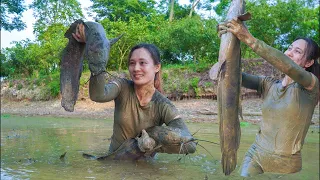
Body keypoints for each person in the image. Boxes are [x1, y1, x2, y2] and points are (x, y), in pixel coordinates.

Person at [72, 22, 196, 160]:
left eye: (142, 63)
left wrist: (154, 139)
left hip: (145, 168)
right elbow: (98, 95)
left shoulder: (163, 105)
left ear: (157, 67)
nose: (136, 68)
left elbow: (190, 145)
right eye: (132, 63)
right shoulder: (122, 86)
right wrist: (95, 50)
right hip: (113, 164)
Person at [218, 18, 319, 176]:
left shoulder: (311, 86)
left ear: (308, 63)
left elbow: (287, 65)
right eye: (289, 48)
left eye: (298, 51)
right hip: (255, 155)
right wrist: (227, 41)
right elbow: (230, 73)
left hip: (287, 164)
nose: (289, 53)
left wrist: (249, 39)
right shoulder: (269, 84)